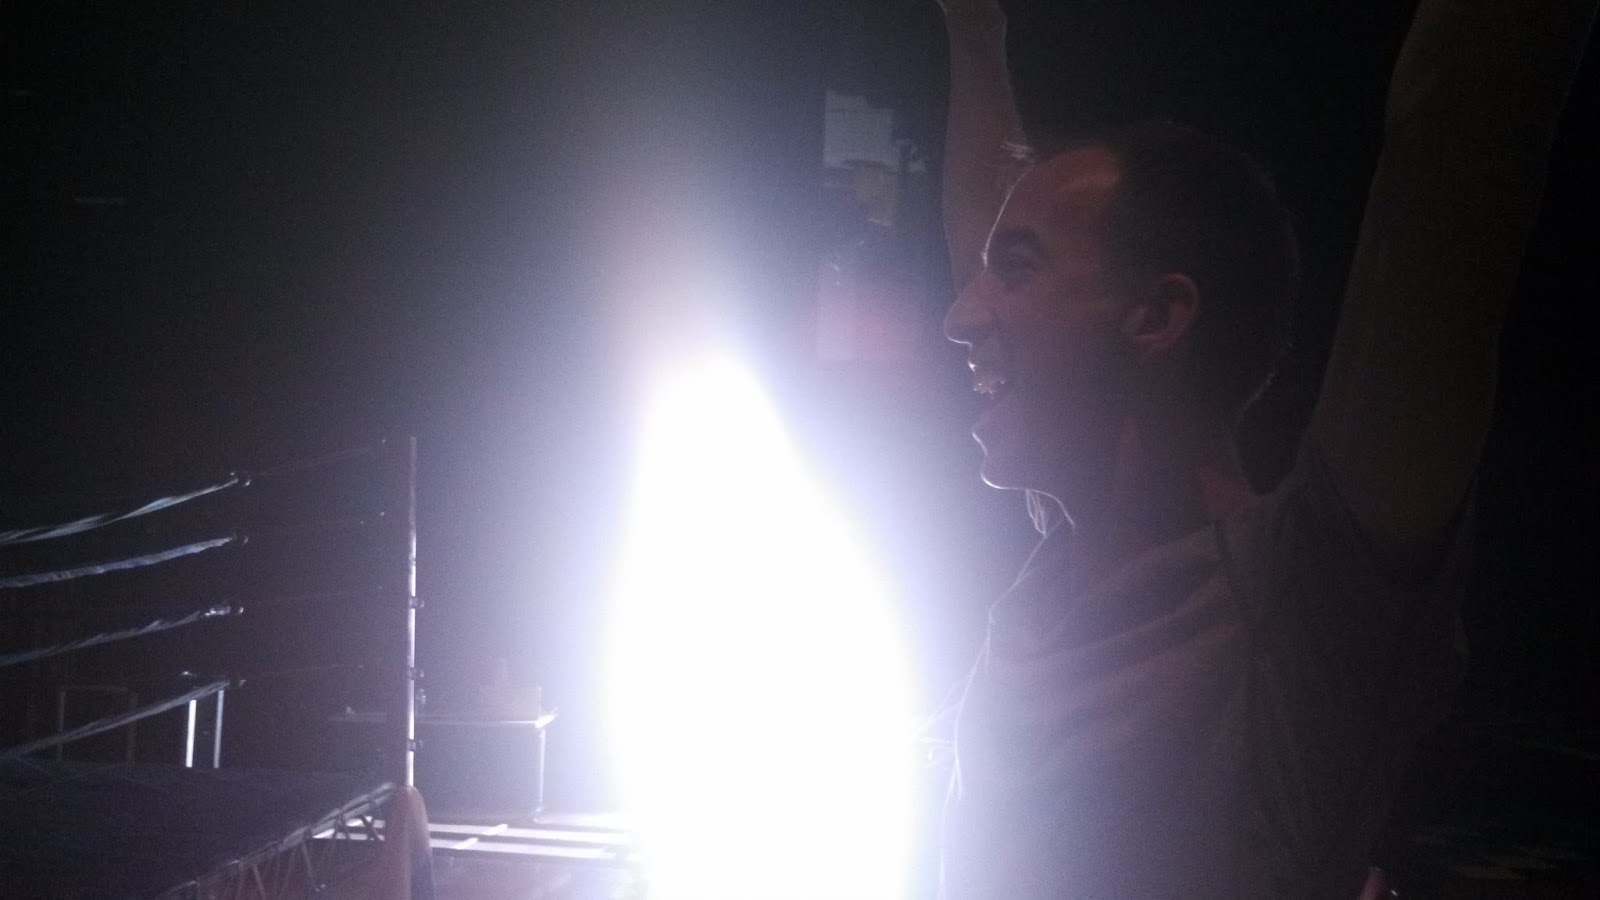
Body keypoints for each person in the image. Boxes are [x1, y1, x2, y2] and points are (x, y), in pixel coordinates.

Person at [933, 0, 1596, 897]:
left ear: (1157, 318)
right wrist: (974, 27)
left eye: (1016, 268)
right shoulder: (1074, 563)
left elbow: (1456, 134)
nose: (961, 316)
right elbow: (988, 221)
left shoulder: (1301, 607)